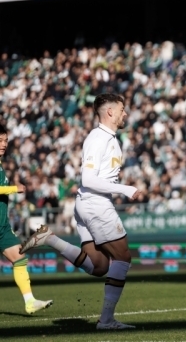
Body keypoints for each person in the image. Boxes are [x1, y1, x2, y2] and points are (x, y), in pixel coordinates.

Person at [21, 93, 141, 330]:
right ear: (110, 112)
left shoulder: (108, 138)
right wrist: (124, 189)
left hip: (86, 204)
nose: (125, 113)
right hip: (96, 204)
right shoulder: (99, 138)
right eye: (122, 109)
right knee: (123, 257)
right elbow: (87, 178)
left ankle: (51, 239)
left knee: (99, 266)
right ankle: (106, 321)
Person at [0, 124, 53, 314]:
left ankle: (30, 302)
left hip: (2, 227)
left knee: (20, 259)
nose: (3, 144)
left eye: (5, 140)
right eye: (0, 140)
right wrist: (15, 188)